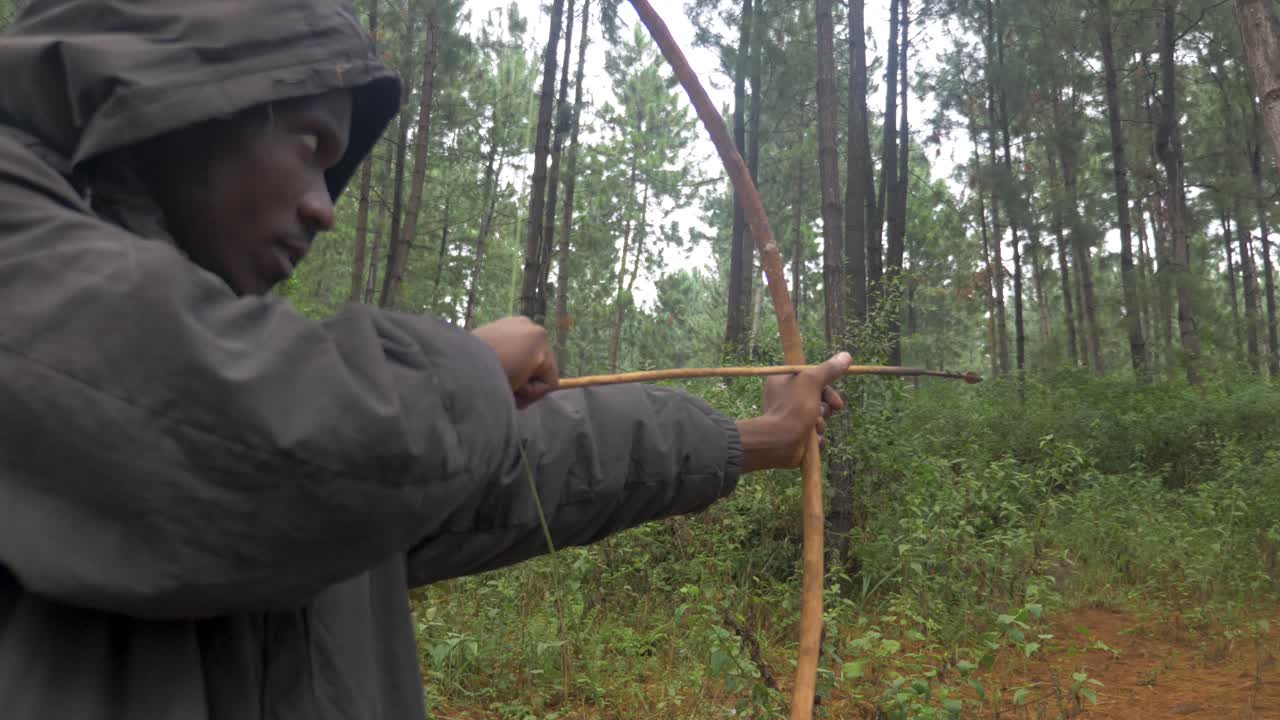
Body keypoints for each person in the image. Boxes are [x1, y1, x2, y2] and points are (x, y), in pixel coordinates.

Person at [0, 1, 850, 718]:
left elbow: (513, 466)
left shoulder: (301, 414)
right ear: (189, 99)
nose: (325, 209)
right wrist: (466, 370)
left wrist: (752, 439)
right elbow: (264, 436)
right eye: (310, 146)